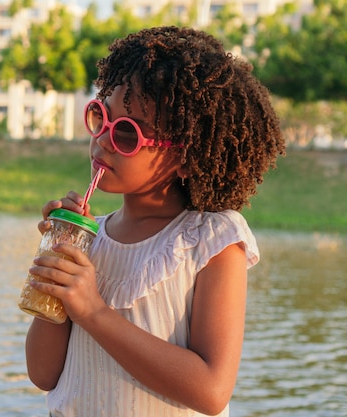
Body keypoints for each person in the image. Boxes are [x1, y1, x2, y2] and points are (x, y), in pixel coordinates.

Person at [24, 26, 285, 417]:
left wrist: (94, 311)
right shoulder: (90, 242)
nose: (104, 141)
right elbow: (43, 373)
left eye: (127, 134)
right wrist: (62, 262)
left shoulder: (212, 242)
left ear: (183, 156)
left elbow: (212, 391)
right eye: (102, 117)